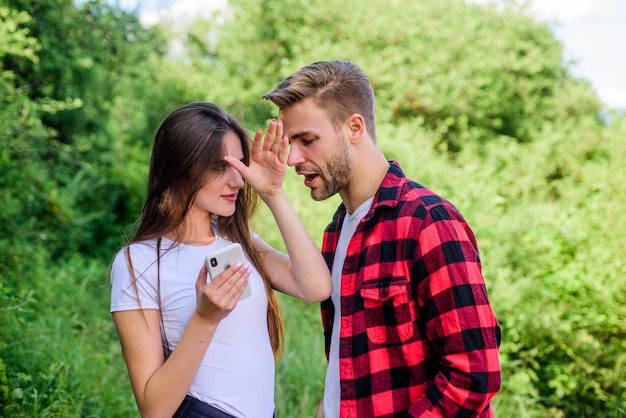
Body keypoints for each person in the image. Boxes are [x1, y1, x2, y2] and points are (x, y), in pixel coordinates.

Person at [262, 60, 502, 417]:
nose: (294, 157)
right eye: (289, 142)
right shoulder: (337, 231)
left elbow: (473, 375)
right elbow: (352, 368)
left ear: (354, 127)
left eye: (307, 140)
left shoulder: (427, 222)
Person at [109, 101, 332, 418]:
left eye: (238, 165)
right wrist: (205, 317)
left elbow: (316, 288)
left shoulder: (240, 241)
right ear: (179, 167)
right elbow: (154, 409)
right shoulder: (138, 262)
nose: (238, 182)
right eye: (218, 167)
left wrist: (273, 194)